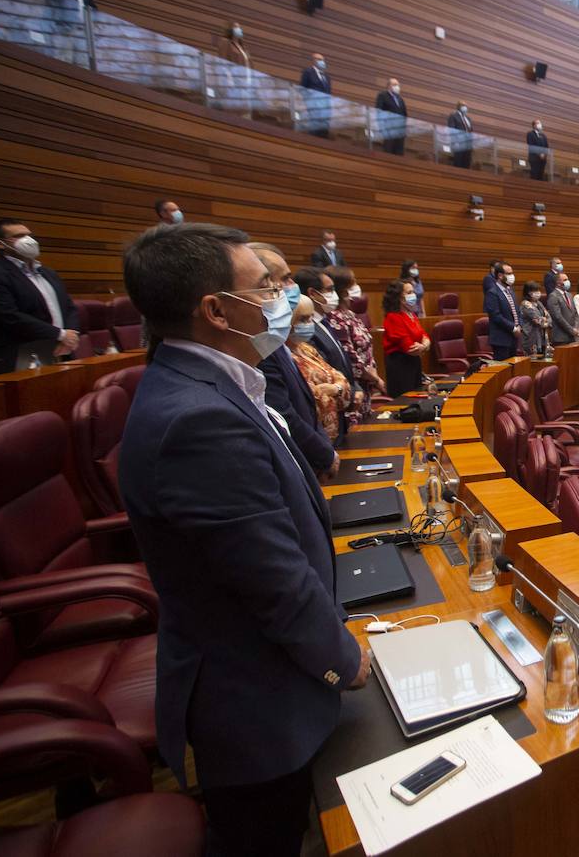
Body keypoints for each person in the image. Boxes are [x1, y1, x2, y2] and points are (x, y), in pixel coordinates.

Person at [117, 224, 369, 857]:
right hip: (254, 702)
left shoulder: (215, 383)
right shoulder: (197, 418)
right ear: (216, 310)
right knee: (267, 839)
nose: (281, 297)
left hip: (272, 675)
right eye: (265, 287)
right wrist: (343, 656)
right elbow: (271, 577)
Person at [248, 245, 336, 476]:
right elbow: (284, 414)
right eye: (285, 279)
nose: (291, 286)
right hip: (301, 462)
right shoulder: (263, 349)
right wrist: (324, 454)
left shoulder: (274, 343)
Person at [0, 218, 80, 374]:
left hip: (61, 350)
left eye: (29, 235)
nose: (28, 240)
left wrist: (72, 334)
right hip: (20, 355)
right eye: (19, 236)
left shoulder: (48, 272)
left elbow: (69, 307)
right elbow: (9, 316)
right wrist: (61, 334)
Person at [294, 267, 361, 427]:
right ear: (312, 293)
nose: (335, 294)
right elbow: (325, 375)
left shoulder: (326, 322)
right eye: (330, 289)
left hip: (343, 407)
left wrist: (354, 388)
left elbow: (343, 363)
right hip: (327, 415)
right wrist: (347, 392)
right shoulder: (305, 331)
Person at [288, 296, 353, 441]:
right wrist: (334, 389)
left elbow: (341, 378)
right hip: (313, 439)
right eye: (303, 319)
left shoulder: (306, 348)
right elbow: (310, 398)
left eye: (311, 318)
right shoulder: (284, 358)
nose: (309, 324)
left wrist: (336, 389)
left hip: (336, 432)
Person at [324, 266, 386, 406]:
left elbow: (366, 347)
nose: (357, 285)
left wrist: (374, 374)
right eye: (353, 282)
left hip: (367, 384)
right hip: (354, 387)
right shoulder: (335, 318)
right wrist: (375, 379)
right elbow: (350, 356)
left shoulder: (350, 314)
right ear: (343, 288)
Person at [381, 280, 429, 395]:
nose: (414, 295)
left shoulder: (411, 314)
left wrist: (424, 345)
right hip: (400, 366)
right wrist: (425, 346)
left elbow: (425, 335)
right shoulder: (393, 317)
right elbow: (410, 348)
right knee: (405, 402)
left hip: (414, 363)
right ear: (399, 297)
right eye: (409, 292)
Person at [483, 261, 521, 360]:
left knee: (514, 369)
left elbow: (516, 312)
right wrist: (513, 328)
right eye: (509, 274)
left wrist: (519, 325)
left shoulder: (510, 291)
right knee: (504, 371)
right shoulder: (492, 293)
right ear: (500, 275)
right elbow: (496, 316)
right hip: (501, 339)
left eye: (512, 273)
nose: (512, 276)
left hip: (513, 338)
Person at [298, 53, 332, 138]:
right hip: (313, 107)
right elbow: (303, 89)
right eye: (319, 60)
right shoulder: (308, 72)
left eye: (323, 60)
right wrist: (309, 103)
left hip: (324, 109)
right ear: (314, 61)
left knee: (324, 132)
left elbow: (329, 93)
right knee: (314, 131)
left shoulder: (327, 77)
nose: (322, 62)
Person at [545, 272, 579, 346]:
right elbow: (558, 317)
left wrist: (576, 328)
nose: (568, 282)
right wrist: (571, 330)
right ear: (558, 283)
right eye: (565, 280)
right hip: (561, 337)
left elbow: (576, 313)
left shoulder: (569, 295)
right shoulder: (553, 296)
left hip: (572, 336)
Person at [374, 79, 407, 155]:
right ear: (389, 86)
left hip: (399, 130)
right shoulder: (382, 95)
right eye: (395, 85)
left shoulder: (400, 99)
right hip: (389, 128)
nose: (397, 87)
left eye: (398, 85)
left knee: (399, 152)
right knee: (388, 150)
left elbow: (404, 114)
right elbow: (379, 110)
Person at [519, 281, 551, 356]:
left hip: (542, 337)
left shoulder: (539, 303)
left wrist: (545, 320)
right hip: (531, 338)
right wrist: (544, 320)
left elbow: (549, 317)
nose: (538, 293)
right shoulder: (526, 304)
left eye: (538, 290)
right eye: (535, 291)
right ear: (528, 292)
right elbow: (537, 321)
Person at [447, 102, 473, 169]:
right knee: (458, 161)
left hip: (467, 143)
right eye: (463, 105)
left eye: (466, 106)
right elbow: (451, 129)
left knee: (467, 161)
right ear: (458, 106)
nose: (465, 107)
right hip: (458, 142)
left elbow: (471, 130)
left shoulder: (468, 118)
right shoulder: (453, 116)